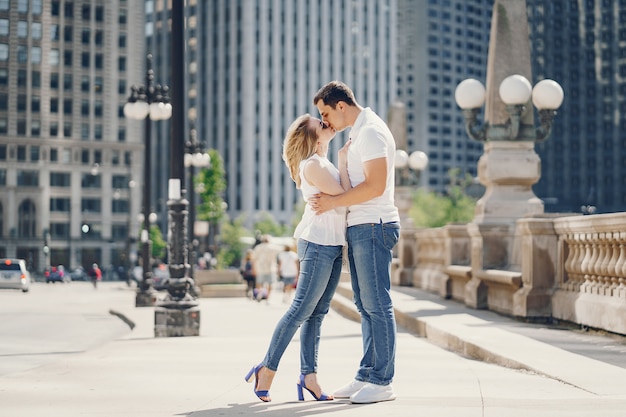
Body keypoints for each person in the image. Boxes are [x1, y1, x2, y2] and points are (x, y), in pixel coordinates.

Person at [244, 113, 350, 403]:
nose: (325, 122)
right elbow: (346, 194)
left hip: (332, 243)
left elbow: (339, 198)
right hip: (316, 243)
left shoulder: (321, 161)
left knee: (318, 313)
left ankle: (309, 377)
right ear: (310, 136)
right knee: (300, 310)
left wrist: (333, 154)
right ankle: (267, 367)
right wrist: (342, 159)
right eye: (320, 123)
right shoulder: (312, 165)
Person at [310, 81, 401, 404]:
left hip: (374, 225)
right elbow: (360, 184)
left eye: (325, 113)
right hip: (361, 225)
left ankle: (382, 381)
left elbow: (376, 187)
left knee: (377, 305)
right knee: (365, 305)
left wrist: (334, 203)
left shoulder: (372, 131)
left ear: (341, 106)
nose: (324, 121)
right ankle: (367, 373)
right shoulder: (358, 134)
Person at [252, 235, 280, 301]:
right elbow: (281, 249)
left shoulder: (258, 247)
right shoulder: (272, 247)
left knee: (259, 283)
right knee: (270, 283)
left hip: (260, 268)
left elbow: (254, 259)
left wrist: (254, 268)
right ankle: (268, 297)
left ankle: (260, 293)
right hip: (270, 268)